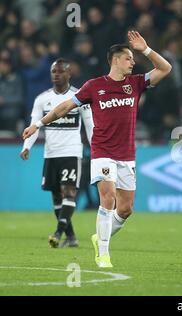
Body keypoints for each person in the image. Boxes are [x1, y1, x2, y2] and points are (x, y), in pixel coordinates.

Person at [23, 31, 172, 268]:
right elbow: (64, 107)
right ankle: (103, 254)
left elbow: (165, 69)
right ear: (115, 60)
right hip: (102, 151)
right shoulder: (94, 86)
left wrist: (145, 49)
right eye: (129, 58)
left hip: (127, 154)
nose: (133, 62)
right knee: (108, 198)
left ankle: (99, 237)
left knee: (126, 208)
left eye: (134, 58)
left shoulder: (135, 84)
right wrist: (38, 124)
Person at [20, 58, 94, 248]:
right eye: (54, 71)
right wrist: (26, 146)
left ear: (69, 74)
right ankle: (71, 237)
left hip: (72, 152)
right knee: (56, 196)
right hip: (50, 154)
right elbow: (33, 127)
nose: (56, 74)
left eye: (61, 71)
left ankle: (58, 232)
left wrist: (96, 148)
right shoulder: (42, 99)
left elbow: (90, 126)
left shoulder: (80, 97)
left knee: (69, 191)